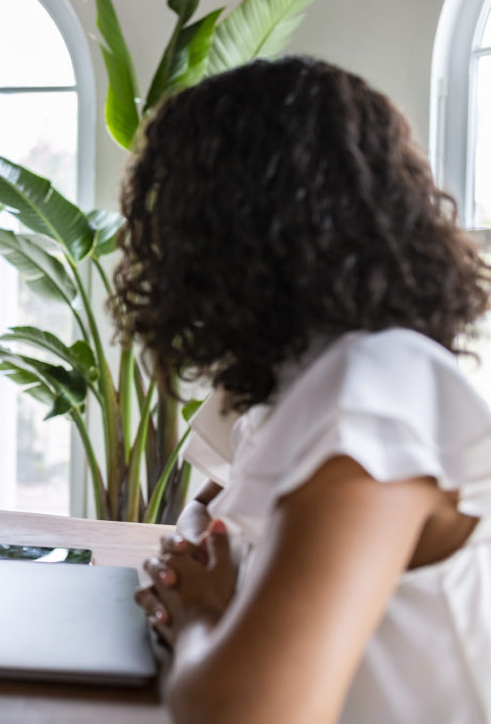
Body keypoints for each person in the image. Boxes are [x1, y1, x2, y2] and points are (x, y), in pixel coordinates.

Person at [113, 56, 491, 723]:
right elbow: (211, 508)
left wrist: (200, 612)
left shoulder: (378, 386)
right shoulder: (296, 380)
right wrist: (200, 568)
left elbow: (243, 710)